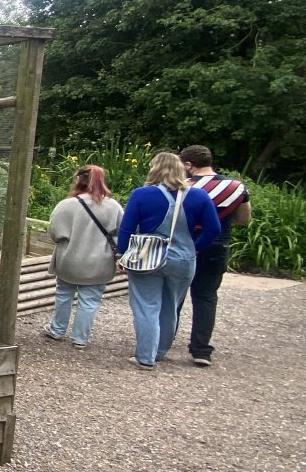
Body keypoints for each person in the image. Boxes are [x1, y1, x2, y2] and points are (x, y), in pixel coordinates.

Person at [116, 152, 221, 369]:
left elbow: (126, 228)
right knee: (170, 305)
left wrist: (122, 254)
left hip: (147, 256)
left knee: (147, 306)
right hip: (183, 258)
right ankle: (160, 351)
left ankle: (145, 356)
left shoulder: (142, 194)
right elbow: (214, 229)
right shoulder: (199, 196)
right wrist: (195, 248)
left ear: (155, 168)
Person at [178, 145, 251, 368]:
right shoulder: (236, 187)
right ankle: (201, 349)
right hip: (217, 244)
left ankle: (163, 338)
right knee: (206, 296)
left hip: (184, 243)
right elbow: (244, 219)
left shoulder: (184, 187)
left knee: (174, 293)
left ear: (189, 165)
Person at [44, 165, 123, 348]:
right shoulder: (113, 206)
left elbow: (55, 233)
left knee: (64, 294)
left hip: (69, 259)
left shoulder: (66, 205)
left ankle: (57, 330)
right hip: (99, 262)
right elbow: (121, 233)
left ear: (78, 179)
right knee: (90, 300)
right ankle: (80, 339)